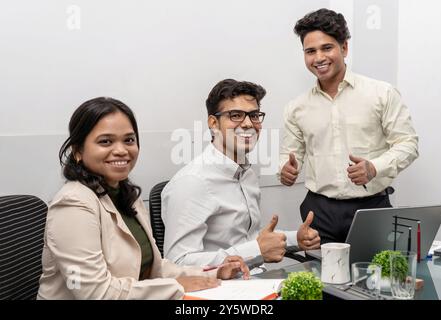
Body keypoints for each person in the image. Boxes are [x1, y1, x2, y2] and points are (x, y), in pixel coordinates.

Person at [37, 97, 249, 300]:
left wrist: (213, 274)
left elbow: (155, 268)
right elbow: (95, 293)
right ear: (78, 151)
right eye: (105, 141)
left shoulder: (125, 196)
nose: (121, 150)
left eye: (129, 140)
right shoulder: (72, 205)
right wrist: (177, 287)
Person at [279, 8, 419, 244]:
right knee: (319, 279)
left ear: (344, 48)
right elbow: (290, 155)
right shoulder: (296, 107)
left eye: (327, 48)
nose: (319, 58)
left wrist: (374, 167)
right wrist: (285, 170)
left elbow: (408, 144)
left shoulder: (381, 93)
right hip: (318, 211)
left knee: (376, 278)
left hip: (371, 207)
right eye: (310, 51)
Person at [162, 79, 321, 268]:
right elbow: (177, 263)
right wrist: (256, 251)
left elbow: (246, 238)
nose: (248, 124)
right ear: (214, 123)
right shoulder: (192, 182)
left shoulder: (247, 174)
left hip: (255, 282)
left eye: (254, 115)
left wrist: (297, 239)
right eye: (235, 115)